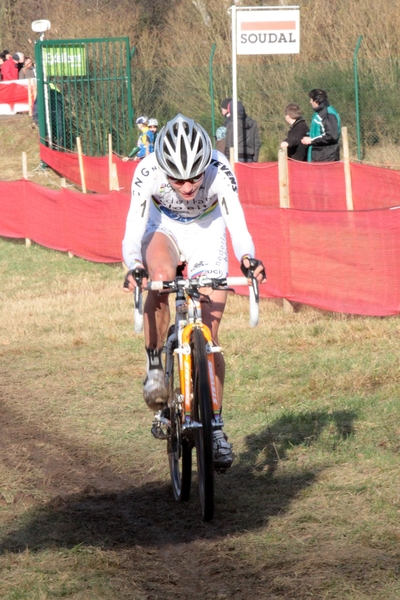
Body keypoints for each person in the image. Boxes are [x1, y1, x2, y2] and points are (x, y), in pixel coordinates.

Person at [122, 114, 266, 471]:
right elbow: (132, 230)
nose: (187, 187)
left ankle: (215, 426)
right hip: (164, 229)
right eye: (178, 179)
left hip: (207, 232)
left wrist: (248, 259)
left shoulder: (220, 169)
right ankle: (156, 365)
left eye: (195, 177)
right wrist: (133, 265)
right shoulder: (147, 170)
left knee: (209, 335)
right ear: (163, 168)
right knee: (158, 277)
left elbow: (238, 225)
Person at [301, 89, 341, 162]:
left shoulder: (328, 114)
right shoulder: (319, 112)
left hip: (325, 156)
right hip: (318, 154)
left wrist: (311, 140)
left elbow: (331, 136)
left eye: (311, 99)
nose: (310, 102)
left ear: (316, 100)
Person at [220, 98, 261, 163]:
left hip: (235, 157)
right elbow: (257, 143)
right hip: (250, 157)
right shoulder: (253, 123)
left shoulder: (231, 124)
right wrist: (255, 159)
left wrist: (227, 158)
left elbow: (229, 142)